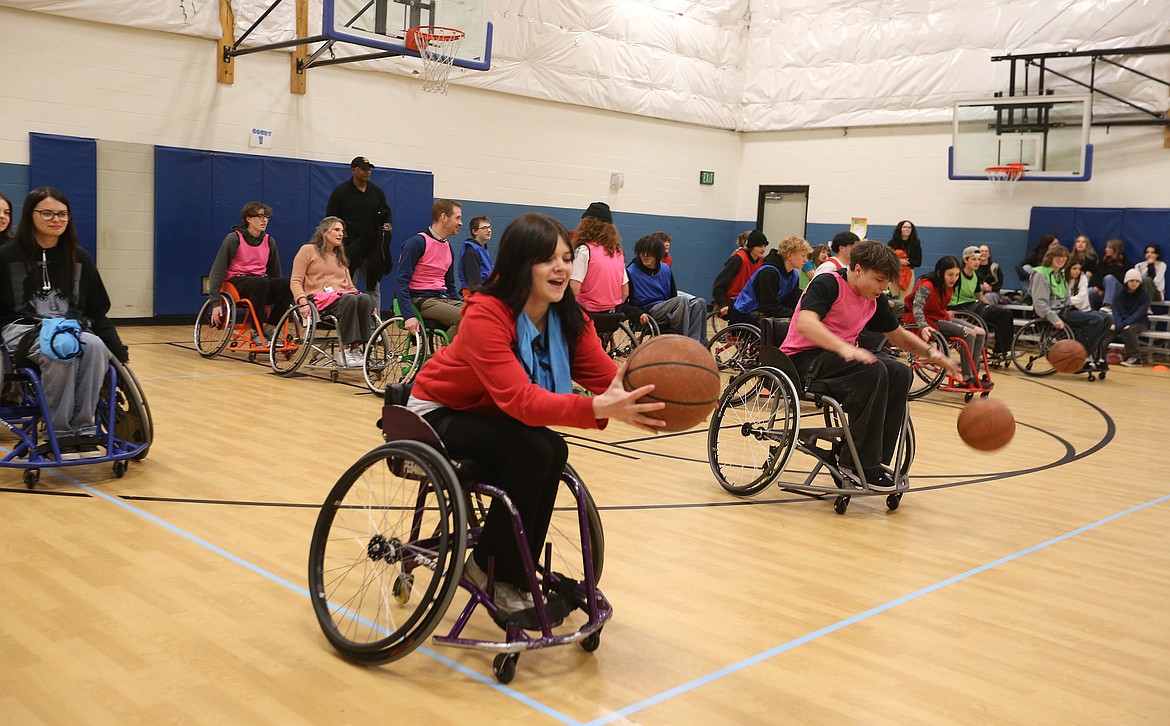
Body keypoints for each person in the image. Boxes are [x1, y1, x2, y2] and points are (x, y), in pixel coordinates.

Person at [406, 212, 664, 611]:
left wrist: (660, 398)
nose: (561, 267)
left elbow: (608, 377)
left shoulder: (567, 317)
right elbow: (520, 399)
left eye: (565, 257)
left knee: (552, 449)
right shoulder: (486, 314)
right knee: (532, 451)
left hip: (491, 415)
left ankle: (513, 568)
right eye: (548, 260)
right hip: (439, 410)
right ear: (519, 265)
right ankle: (488, 567)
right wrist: (595, 406)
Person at [780, 240, 959, 492]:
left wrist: (932, 354)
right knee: (873, 369)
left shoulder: (872, 297)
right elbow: (806, 324)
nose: (884, 287)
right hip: (803, 359)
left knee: (899, 371)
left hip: (838, 360)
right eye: (879, 280)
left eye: (887, 282)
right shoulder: (828, 283)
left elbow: (897, 336)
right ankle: (856, 462)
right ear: (858, 269)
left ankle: (870, 461)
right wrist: (845, 348)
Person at [0, 187, 129, 459]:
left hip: (70, 327)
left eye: (62, 214)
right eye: (46, 213)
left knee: (94, 346)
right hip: (21, 328)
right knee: (61, 347)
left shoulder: (79, 257)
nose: (55, 220)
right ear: (30, 215)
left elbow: (96, 310)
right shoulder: (7, 256)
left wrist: (118, 351)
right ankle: (57, 431)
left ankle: (83, 429)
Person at [289, 217, 376, 368]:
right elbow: (295, 281)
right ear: (324, 232)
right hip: (318, 300)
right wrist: (302, 302)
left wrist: (367, 305)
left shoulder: (340, 257)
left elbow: (350, 287)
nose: (341, 233)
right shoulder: (307, 250)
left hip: (342, 297)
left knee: (365, 299)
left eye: (342, 231)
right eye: (336, 230)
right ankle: (346, 351)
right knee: (350, 300)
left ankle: (358, 350)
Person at [206, 201, 292, 347]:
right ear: (248, 219)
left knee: (289, 283)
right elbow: (218, 269)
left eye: (266, 217)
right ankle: (257, 332)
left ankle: (270, 330)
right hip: (237, 283)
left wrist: (281, 293)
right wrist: (215, 302)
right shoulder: (234, 238)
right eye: (260, 216)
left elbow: (275, 273)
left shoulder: (269, 241)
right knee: (260, 282)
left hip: (260, 284)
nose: (264, 220)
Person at [903, 256, 988, 387]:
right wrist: (923, 326)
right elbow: (917, 308)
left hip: (938, 316)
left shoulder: (948, 285)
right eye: (950, 275)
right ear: (939, 273)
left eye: (957, 275)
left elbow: (939, 305)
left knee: (980, 331)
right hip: (925, 320)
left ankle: (974, 373)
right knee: (968, 333)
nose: (954, 278)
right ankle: (967, 376)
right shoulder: (926, 286)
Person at [1029, 244, 1111, 373]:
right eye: (1058, 257)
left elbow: (1066, 299)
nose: (1061, 260)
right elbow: (1040, 303)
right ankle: (1080, 356)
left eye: (1064, 257)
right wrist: (1054, 319)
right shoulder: (1040, 275)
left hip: (1066, 310)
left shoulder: (1060, 275)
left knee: (1107, 319)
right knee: (1096, 320)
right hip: (1053, 314)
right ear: (1050, 257)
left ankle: (1089, 353)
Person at [325, 156, 392, 309]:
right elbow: (330, 219)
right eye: (363, 169)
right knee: (348, 289)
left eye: (369, 169)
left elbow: (385, 211)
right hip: (349, 249)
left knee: (373, 289)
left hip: (372, 249)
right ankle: (349, 325)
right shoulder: (340, 192)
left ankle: (375, 328)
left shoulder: (376, 192)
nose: (367, 172)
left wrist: (387, 223)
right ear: (353, 170)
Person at [393, 199, 464, 339]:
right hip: (421, 299)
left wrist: (460, 303)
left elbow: (450, 286)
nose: (460, 223)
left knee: (481, 314)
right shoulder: (417, 243)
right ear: (443, 217)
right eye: (458, 218)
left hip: (442, 298)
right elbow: (401, 282)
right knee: (463, 317)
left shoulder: (449, 248)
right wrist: (408, 315)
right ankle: (444, 359)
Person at [625, 234, 708, 344]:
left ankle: (697, 344)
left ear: (657, 254)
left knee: (700, 302)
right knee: (681, 300)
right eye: (642, 252)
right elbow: (624, 302)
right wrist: (638, 313)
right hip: (648, 311)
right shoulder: (631, 271)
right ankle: (681, 342)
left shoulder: (665, 269)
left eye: (649, 252)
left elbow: (672, 295)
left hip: (666, 307)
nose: (645, 255)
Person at [948, 246, 1014, 362]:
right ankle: (1000, 350)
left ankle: (1000, 350)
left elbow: (979, 295)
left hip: (972, 305)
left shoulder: (976, 276)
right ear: (965, 260)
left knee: (1005, 314)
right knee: (1004, 315)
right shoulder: (957, 275)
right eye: (974, 259)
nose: (977, 262)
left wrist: (989, 305)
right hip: (959, 308)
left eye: (979, 259)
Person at [727, 235, 812, 325]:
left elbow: (793, 301)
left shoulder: (794, 275)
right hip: (746, 314)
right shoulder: (768, 273)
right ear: (790, 255)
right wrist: (795, 315)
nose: (806, 260)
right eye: (803, 256)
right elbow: (769, 306)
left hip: (765, 314)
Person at [569, 202, 627, 315]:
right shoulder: (618, 252)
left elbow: (574, 290)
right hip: (612, 316)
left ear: (587, 225)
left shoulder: (585, 250)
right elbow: (625, 292)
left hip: (587, 315)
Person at [710, 229, 767, 316]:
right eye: (759, 246)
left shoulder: (762, 260)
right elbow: (719, 285)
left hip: (750, 301)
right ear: (751, 246)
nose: (763, 249)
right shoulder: (738, 259)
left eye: (764, 246)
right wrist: (722, 305)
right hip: (734, 301)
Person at [1109, 269, 1150, 367]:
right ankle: (1098, 355)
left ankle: (1135, 358)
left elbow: (1140, 312)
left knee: (1129, 330)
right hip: (1123, 321)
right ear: (1126, 281)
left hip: (1140, 322)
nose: (1134, 283)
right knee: (1108, 328)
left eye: (1137, 281)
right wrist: (1118, 323)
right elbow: (1116, 310)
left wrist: (1125, 324)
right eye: (1132, 281)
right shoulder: (1119, 293)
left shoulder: (1144, 294)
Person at [1089, 238, 1129, 309]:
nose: (1106, 249)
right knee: (1089, 291)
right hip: (1103, 292)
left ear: (1116, 249)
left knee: (1109, 278)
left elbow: (1122, 279)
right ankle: (1089, 313)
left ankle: (1108, 305)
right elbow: (1096, 275)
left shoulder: (1125, 263)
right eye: (1106, 247)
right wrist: (1097, 286)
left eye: (1109, 247)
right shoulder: (1103, 262)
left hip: (1119, 292)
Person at [887, 220, 922, 298]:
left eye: (909, 227)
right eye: (905, 227)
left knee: (905, 298)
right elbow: (887, 258)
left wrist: (906, 262)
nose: (907, 229)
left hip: (908, 274)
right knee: (894, 297)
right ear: (900, 229)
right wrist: (898, 261)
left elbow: (918, 262)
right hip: (894, 272)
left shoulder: (915, 244)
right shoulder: (892, 243)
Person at [459, 215, 493, 296]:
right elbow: (474, 282)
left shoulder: (482, 249)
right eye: (484, 228)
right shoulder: (471, 251)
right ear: (475, 231)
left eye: (489, 227)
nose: (488, 230)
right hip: (474, 294)